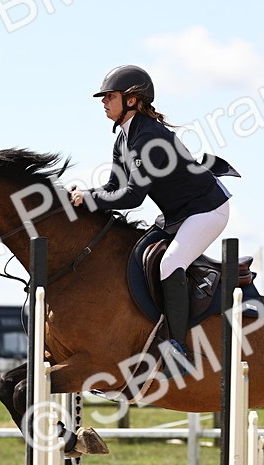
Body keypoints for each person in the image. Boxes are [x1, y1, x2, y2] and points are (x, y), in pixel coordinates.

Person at [70, 64, 237, 366]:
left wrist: (89, 198)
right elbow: (112, 187)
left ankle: (177, 348)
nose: (104, 102)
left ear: (131, 100)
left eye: (110, 96)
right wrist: (84, 197)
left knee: (170, 263)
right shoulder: (124, 138)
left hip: (207, 209)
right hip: (178, 213)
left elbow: (133, 197)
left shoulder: (148, 138)